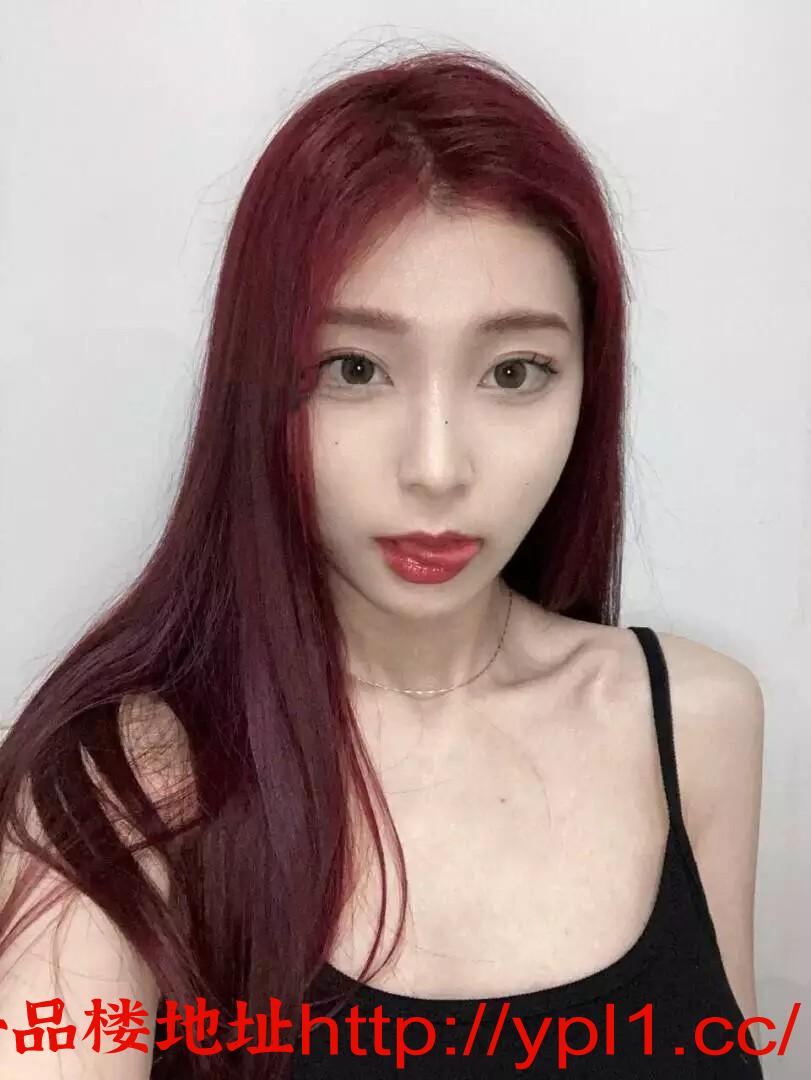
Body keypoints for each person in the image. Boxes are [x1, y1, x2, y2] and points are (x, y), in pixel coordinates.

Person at [0, 47, 765, 1079]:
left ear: (590, 384)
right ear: (258, 384)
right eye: (353, 368)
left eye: (514, 371)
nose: (437, 468)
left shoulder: (699, 725)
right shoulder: (120, 790)